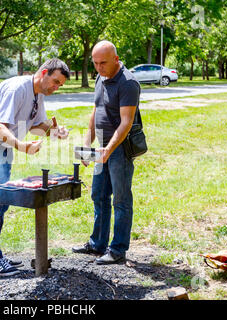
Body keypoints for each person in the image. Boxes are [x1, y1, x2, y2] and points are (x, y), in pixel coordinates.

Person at [0, 58, 70, 277]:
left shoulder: (39, 94)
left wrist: (55, 131)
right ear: (43, 73)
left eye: (60, 85)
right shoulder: (17, 89)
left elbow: (35, 126)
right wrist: (22, 146)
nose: (56, 87)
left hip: (5, 147)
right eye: (55, 81)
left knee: (2, 202)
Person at [72, 40, 141, 264]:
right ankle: (97, 244)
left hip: (119, 148)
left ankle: (118, 249)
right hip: (101, 148)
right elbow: (96, 111)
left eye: (103, 63)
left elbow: (126, 122)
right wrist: (86, 144)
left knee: (121, 199)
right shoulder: (100, 78)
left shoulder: (128, 83)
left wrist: (108, 149)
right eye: (95, 63)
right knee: (98, 195)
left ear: (116, 60)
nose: (99, 68)